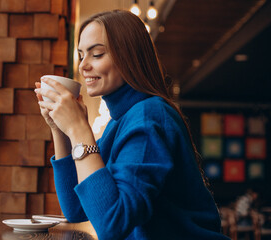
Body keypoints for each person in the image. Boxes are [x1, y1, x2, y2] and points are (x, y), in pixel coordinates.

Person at [35, 9, 229, 240]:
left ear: (129, 56)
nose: (83, 66)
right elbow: (76, 209)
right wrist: (60, 130)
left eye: (96, 54)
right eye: (81, 55)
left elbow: (112, 224)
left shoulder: (149, 117)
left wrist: (79, 129)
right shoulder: (120, 122)